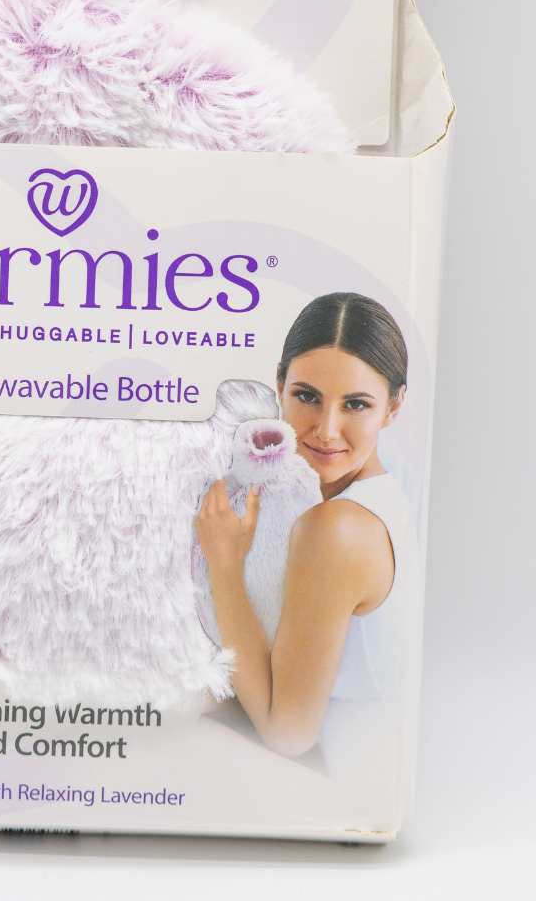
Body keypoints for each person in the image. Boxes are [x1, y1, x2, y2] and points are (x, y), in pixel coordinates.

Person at [194, 292, 418, 764]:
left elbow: (288, 734)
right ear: (279, 384)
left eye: (355, 404)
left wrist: (225, 565)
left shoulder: (336, 528)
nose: (326, 430)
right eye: (308, 396)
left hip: (338, 776)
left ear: (394, 406)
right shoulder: (379, 484)